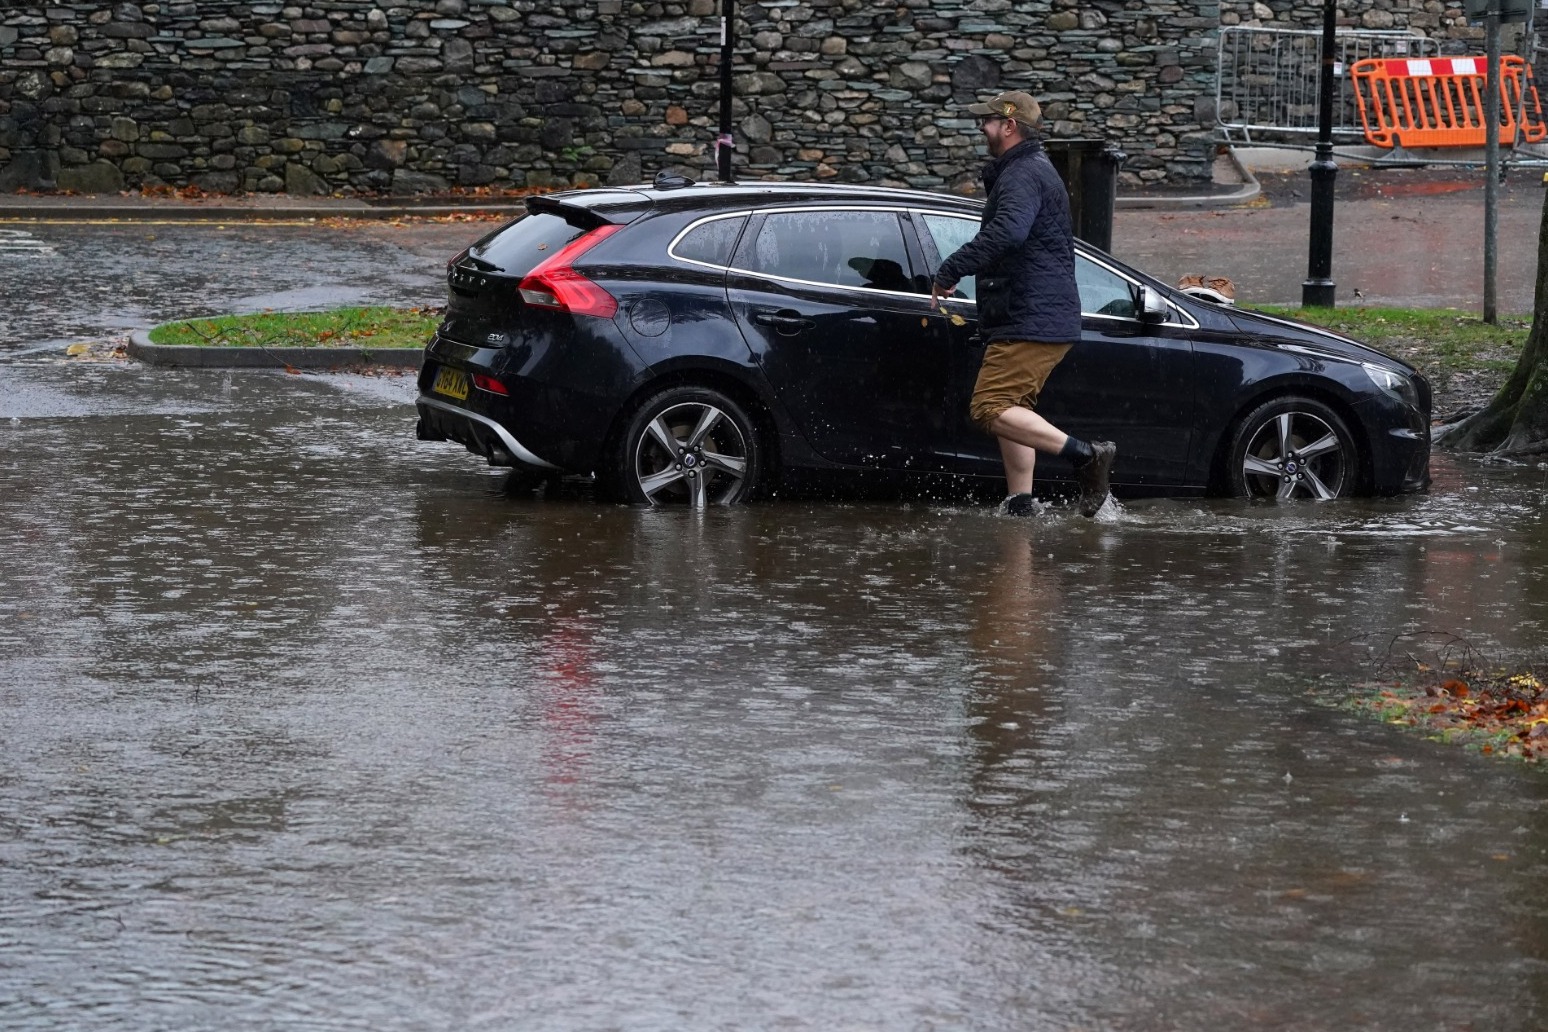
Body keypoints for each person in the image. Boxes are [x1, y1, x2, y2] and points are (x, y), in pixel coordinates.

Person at [930, 89, 1116, 518]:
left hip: (1030, 315)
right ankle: (1021, 502)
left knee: (989, 408)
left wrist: (951, 268)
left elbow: (1007, 234)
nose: (982, 127)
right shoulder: (1027, 169)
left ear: (1010, 126)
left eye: (989, 121)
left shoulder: (1023, 174)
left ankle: (1087, 456)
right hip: (1030, 312)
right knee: (1013, 409)